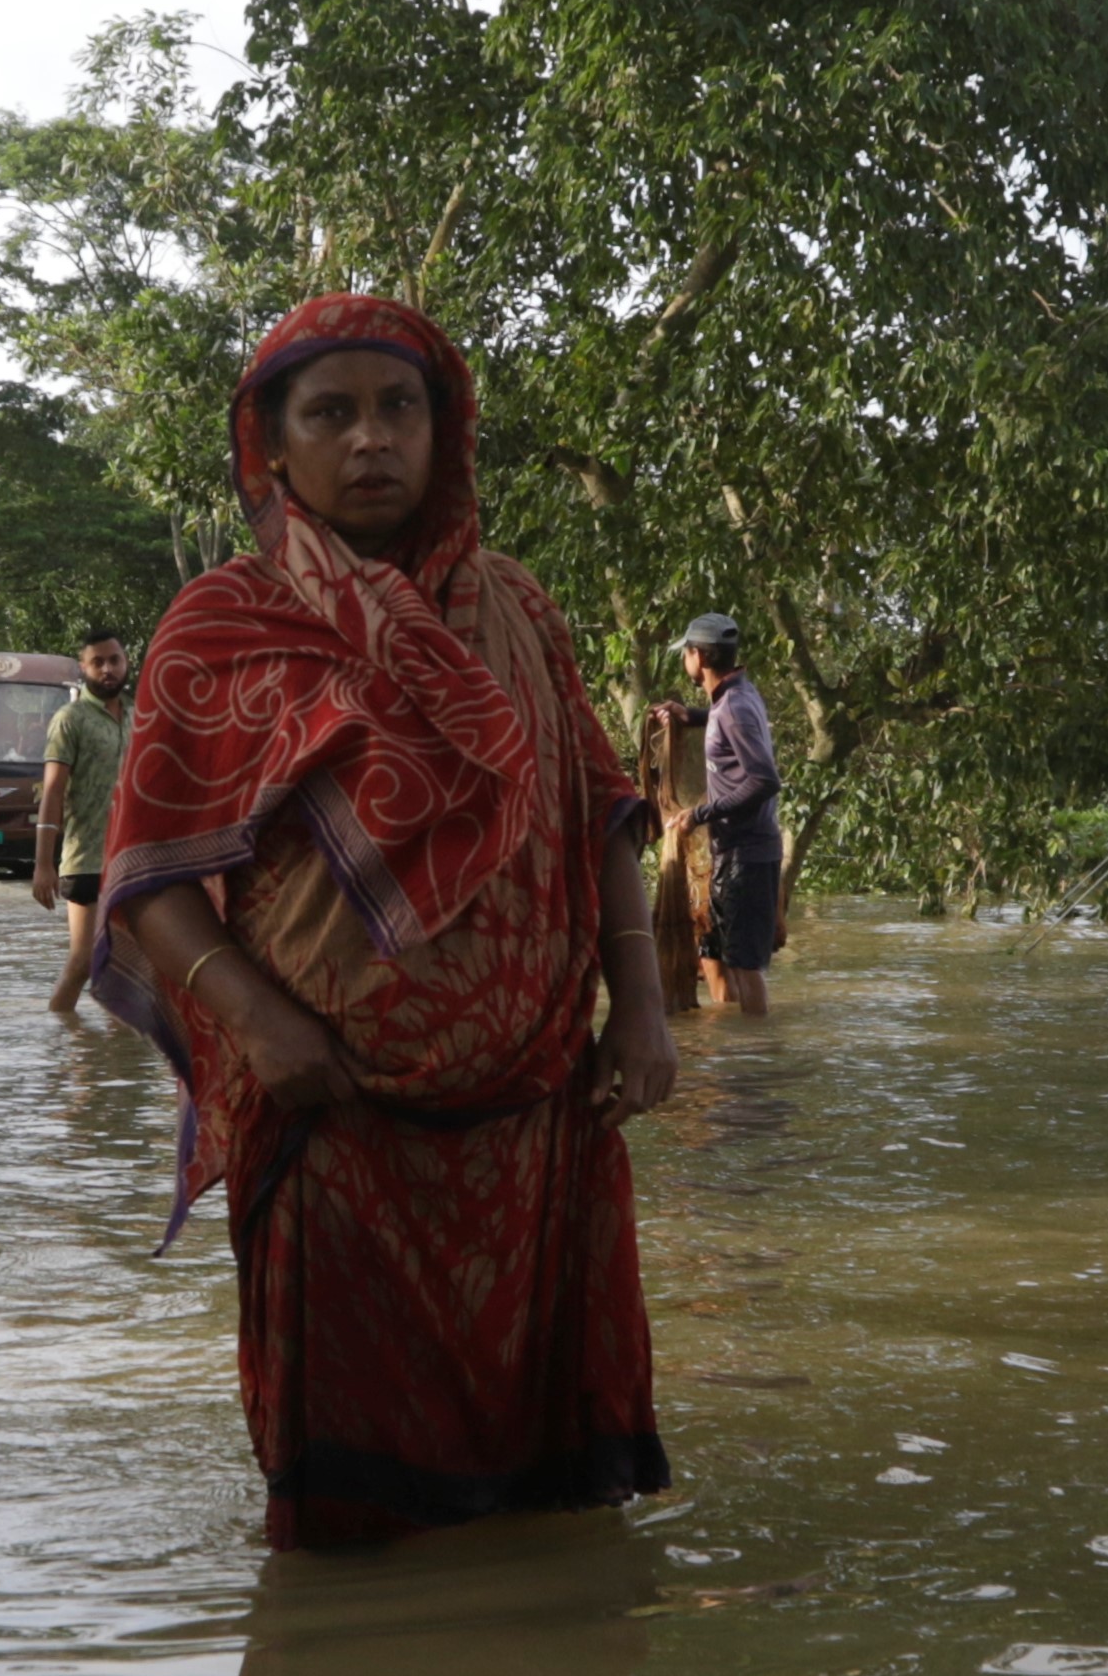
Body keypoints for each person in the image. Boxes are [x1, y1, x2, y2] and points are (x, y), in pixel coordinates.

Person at [95, 292, 677, 1550]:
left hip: (538, 1123)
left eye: (397, 408)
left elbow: (598, 808)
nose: (370, 440)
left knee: (550, 1512)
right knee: (349, 1522)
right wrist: (256, 1026)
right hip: (335, 1123)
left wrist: (638, 1004)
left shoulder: (518, 609)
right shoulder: (222, 626)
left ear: (443, 429)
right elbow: (142, 875)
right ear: (274, 445)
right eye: (332, 413)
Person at [674, 610, 782, 1016]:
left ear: (699, 658)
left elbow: (764, 781)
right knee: (724, 957)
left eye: (685, 653)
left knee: (745, 967)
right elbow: (726, 724)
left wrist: (700, 813)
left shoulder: (734, 706)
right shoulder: (737, 696)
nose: (684, 660)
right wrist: (691, 716)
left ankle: (755, 1059)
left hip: (746, 856)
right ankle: (736, 1054)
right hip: (735, 855)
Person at [28, 625, 132, 1019]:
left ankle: (120, 1056)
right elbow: (52, 791)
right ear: (83, 668)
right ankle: (57, 1036)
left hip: (132, 860)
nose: (107, 669)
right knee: (84, 959)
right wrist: (42, 864)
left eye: (114, 660)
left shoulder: (140, 715)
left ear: (126, 663)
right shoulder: (70, 719)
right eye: (98, 662)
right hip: (86, 857)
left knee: (132, 966)